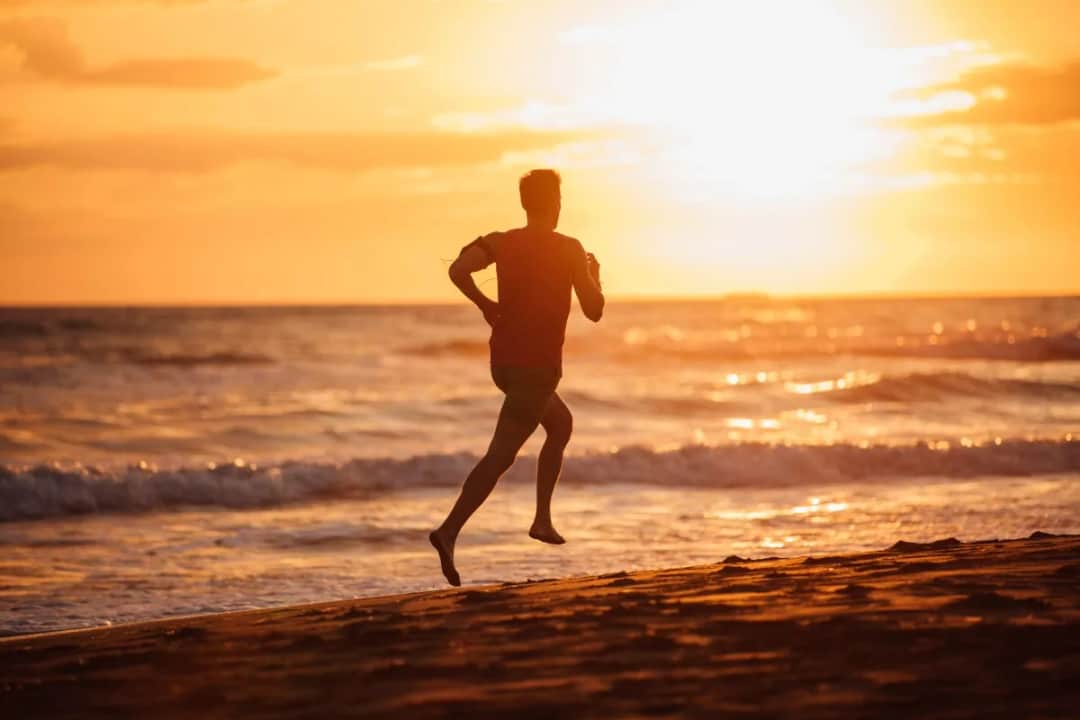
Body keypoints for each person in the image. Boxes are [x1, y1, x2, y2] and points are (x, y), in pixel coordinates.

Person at [429, 169, 605, 586]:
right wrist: (593, 274)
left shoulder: (502, 242)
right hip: (537, 367)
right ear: (557, 204)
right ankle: (449, 530)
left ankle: (542, 519)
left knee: (560, 424)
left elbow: (458, 270)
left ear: (526, 203)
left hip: (505, 363)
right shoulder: (569, 250)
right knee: (501, 455)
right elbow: (594, 310)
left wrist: (486, 306)